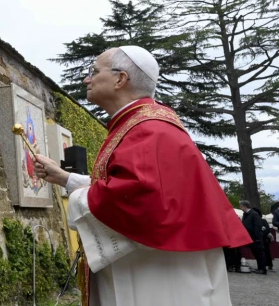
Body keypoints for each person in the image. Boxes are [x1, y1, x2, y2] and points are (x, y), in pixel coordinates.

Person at [34, 46, 251, 306]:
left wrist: (79, 198)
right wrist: (64, 178)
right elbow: (124, 189)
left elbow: (135, 201)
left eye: (94, 72)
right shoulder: (142, 123)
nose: (86, 79)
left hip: (158, 277)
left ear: (120, 79)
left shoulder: (149, 130)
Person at [241, 202, 267, 274]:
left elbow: (257, 226)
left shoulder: (254, 214)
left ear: (245, 206)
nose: (241, 208)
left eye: (241, 206)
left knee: (259, 254)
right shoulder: (245, 215)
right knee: (255, 253)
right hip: (250, 237)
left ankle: (262, 269)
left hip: (256, 237)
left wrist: (257, 237)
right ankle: (259, 268)